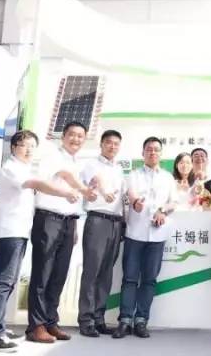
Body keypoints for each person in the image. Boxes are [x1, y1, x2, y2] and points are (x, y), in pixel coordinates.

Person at [0, 130, 79, 352]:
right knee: (2, 283)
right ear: (13, 148)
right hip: (7, 232)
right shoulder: (11, 168)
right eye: (23, 145)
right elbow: (37, 183)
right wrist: (65, 193)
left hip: (18, 232)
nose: (28, 150)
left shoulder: (24, 167)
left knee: (8, 283)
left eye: (31, 146)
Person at [26, 121, 96, 344]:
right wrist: (80, 190)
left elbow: (76, 195)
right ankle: (36, 326)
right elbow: (60, 177)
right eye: (72, 135)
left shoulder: (78, 163)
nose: (76, 139)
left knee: (59, 275)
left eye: (80, 136)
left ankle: (50, 321)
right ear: (63, 136)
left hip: (68, 221)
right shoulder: (52, 156)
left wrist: (73, 226)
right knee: (42, 274)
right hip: (48, 219)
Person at [113, 137, 178, 339]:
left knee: (149, 280)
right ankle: (125, 321)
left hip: (157, 236)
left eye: (156, 149)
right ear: (143, 153)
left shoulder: (168, 178)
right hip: (135, 233)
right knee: (130, 278)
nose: (152, 152)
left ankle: (141, 320)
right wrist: (136, 203)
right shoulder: (133, 175)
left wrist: (163, 211)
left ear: (161, 154)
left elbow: (173, 202)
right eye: (149, 149)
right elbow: (131, 194)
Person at [78, 130, 125, 337]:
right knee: (92, 271)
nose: (112, 147)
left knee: (106, 273)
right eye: (108, 143)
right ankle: (86, 320)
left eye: (116, 144)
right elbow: (96, 180)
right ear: (101, 144)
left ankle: (99, 318)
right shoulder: (91, 164)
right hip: (97, 220)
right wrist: (104, 191)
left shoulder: (119, 169)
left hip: (116, 223)